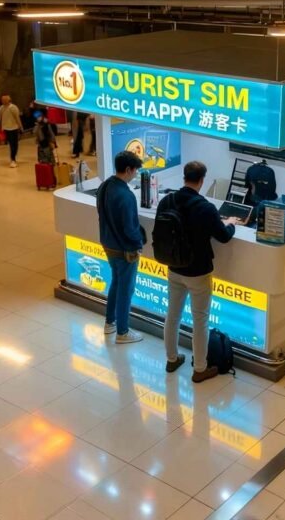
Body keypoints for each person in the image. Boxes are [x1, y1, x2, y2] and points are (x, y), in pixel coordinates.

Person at [157, 162, 238, 382]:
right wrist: (231, 223)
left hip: (173, 267)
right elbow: (222, 235)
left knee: (172, 315)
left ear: (184, 177)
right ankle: (200, 369)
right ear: (202, 180)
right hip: (198, 271)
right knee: (199, 320)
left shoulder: (167, 201)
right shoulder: (205, 207)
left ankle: (172, 359)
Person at [97, 151, 146, 344]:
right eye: (134, 171)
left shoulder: (105, 185)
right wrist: (138, 245)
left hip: (108, 243)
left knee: (116, 282)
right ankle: (123, 332)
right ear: (128, 169)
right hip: (125, 249)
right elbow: (130, 228)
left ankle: (110, 322)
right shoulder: (126, 195)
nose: (135, 175)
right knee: (126, 289)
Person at [0, 94, 21, 168]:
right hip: (6, 129)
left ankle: (13, 157)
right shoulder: (1, 108)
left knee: (15, 144)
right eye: (2, 100)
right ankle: (13, 159)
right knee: (11, 144)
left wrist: (20, 127)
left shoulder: (13, 107)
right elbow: (0, 118)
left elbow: (17, 118)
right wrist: (1, 127)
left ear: (9, 100)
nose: (3, 101)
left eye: (5, 100)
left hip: (14, 128)